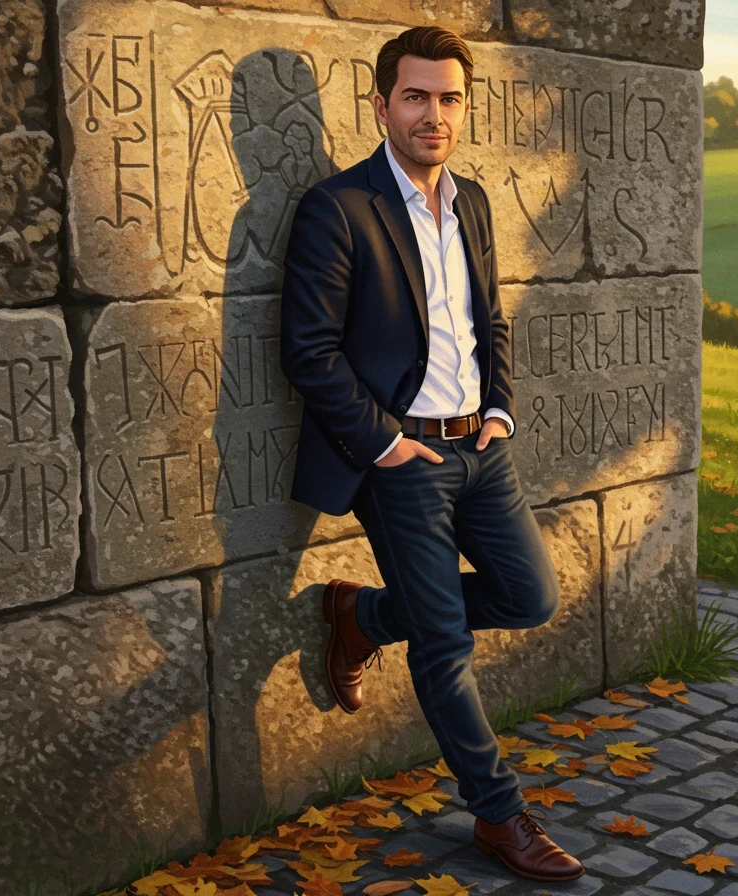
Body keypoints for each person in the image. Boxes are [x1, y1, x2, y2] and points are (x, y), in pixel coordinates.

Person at [278, 24, 585, 883]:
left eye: (448, 98)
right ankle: (500, 816)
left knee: (530, 596)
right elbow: (308, 350)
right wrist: (385, 443)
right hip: (400, 457)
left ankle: (363, 616)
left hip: (480, 449)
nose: (433, 114)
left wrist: (501, 409)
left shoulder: (474, 201)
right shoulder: (338, 209)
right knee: (444, 640)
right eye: (415, 96)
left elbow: (490, 318)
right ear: (381, 106)